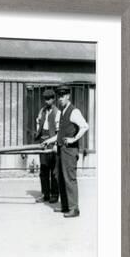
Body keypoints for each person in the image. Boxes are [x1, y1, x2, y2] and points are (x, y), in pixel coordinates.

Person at [42, 87, 89, 218]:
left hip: (70, 150)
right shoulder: (62, 112)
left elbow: (85, 126)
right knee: (60, 177)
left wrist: (74, 139)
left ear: (68, 96)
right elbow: (60, 134)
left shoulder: (74, 111)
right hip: (61, 149)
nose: (60, 99)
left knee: (69, 179)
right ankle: (65, 206)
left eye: (63, 96)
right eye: (59, 96)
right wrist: (49, 141)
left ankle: (74, 209)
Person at [34, 89, 60, 203]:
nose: (47, 101)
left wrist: (53, 142)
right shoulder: (42, 111)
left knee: (54, 170)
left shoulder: (57, 112)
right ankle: (46, 194)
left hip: (53, 141)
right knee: (44, 170)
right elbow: (38, 122)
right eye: (45, 98)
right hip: (43, 141)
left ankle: (54, 195)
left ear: (53, 99)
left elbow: (59, 131)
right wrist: (38, 133)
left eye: (49, 98)